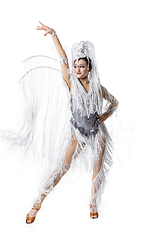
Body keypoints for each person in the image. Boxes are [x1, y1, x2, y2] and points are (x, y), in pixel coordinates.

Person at [10, 21, 119, 223]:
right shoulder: (71, 83)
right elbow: (63, 59)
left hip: (97, 132)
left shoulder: (98, 88)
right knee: (62, 167)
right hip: (77, 133)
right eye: (76, 66)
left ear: (89, 68)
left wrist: (105, 115)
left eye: (81, 66)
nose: (77, 69)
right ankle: (37, 203)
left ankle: (93, 202)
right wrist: (54, 34)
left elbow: (115, 102)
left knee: (97, 166)